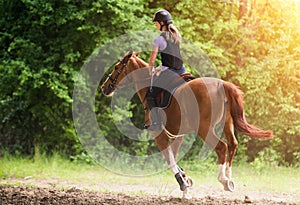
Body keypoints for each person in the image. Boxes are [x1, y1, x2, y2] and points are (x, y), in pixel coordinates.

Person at [146, 10, 186, 131]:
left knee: (150, 94)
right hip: (181, 70)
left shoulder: (158, 39)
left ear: (162, 23)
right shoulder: (176, 36)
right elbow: (171, 58)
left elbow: (152, 61)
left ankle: (157, 123)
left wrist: (150, 70)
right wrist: (159, 68)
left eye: (156, 23)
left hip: (170, 72)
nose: (155, 25)